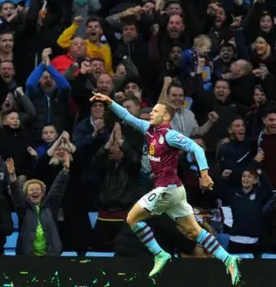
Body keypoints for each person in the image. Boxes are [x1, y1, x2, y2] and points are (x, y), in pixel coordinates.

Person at [89, 92, 240, 285]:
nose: (151, 113)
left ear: (166, 116)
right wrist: (109, 102)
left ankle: (160, 254)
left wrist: (204, 173)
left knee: (132, 219)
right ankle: (229, 259)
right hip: (174, 191)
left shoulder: (171, 135)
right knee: (195, 232)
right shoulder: (148, 129)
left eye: (155, 111)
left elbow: (197, 148)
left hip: (166, 189)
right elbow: (127, 116)